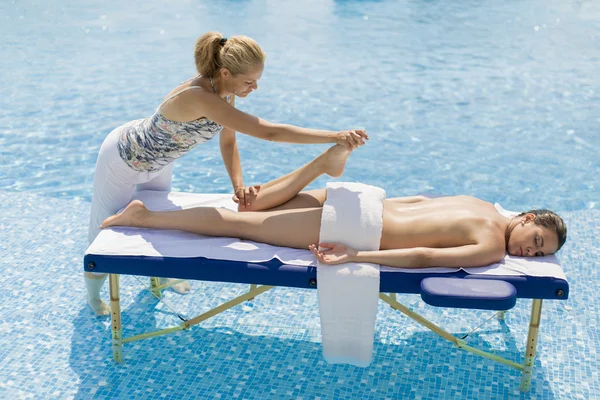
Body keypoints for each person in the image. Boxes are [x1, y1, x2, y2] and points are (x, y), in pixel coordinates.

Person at [86, 32, 369, 316]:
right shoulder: (199, 97)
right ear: (224, 72)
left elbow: (229, 140)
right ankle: (93, 294)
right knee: (104, 230)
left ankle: (160, 278)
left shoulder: (224, 92)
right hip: (123, 159)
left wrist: (238, 186)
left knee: (158, 220)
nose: (255, 87)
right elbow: (268, 131)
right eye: (249, 81)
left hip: (159, 162)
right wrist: (335, 135)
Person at [101, 145, 567, 269]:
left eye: (540, 256)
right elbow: (423, 257)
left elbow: (423, 200)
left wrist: (371, 204)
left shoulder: (481, 203)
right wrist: (356, 254)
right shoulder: (489, 245)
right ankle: (147, 217)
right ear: (527, 218)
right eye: (537, 242)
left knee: (254, 209)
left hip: (367, 197)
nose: (531, 254)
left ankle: (320, 166)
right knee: (246, 228)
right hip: (360, 221)